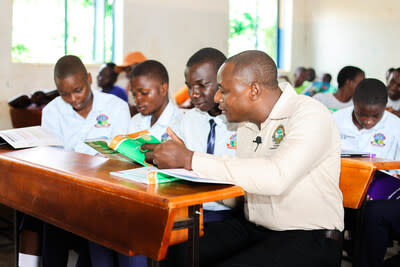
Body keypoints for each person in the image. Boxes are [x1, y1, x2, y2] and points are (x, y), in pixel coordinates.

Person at [143, 50, 344, 266]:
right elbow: (242, 192)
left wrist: (191, 159)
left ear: (253, 90)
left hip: (308, 235)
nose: (217, 98)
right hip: (255, 227)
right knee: (176, 251)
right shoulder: (247, 126)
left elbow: (275, 178)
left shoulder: (310, 114)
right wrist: (186, 168)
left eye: (223, 90)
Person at [40, 55, 131, 267]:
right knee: (49, 218)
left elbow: (123, 157)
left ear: (89, 79)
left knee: (98, 224)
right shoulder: (52, 111)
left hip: (105, 191)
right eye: (64, 94)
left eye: (78, 90)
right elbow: (52, 158)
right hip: (66, 190)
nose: (73, 99)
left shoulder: (116, 107)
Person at [332, 78, 400, 266]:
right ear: (353, 103)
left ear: (385, 108)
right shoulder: (336, 120)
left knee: (370, 213)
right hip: (340, 186)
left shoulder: (395, 126)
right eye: (362, 114)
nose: (368, 121)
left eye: (375, 116)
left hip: (378, 193)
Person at [128, 60, 183, 141]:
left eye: (144, 93)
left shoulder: (181, 123)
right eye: (134, 94)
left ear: (163, 89)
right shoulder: (135, 122)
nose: (137, 99)